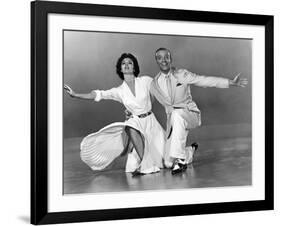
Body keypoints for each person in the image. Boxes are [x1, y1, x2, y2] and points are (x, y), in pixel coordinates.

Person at [150, 47, 248, 175]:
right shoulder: (154, 84)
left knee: (177, 113)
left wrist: (229, 82)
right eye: (159, 58)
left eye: (166, 57)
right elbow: (146, 102)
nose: (163, 60)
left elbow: (203, 80)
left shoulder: (181, 74)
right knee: (168, 164)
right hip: (174, 122)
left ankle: (180, 160)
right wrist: (130, 113)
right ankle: (189, 151)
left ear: (170, 59)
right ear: (156, 60)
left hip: (190, 114)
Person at [64, 53, 165, 176]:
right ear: (120, 69)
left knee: (168, 163)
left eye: (130, 63)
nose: (126, 65)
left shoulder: (146, 80)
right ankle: (146, 165)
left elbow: (157, 94)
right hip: (136, 122)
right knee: (130, 125)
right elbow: (98, 94)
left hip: (151, 123)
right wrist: (76, 94)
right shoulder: (119, 91)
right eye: (123, 63)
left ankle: (189, 150)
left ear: (134, 67)